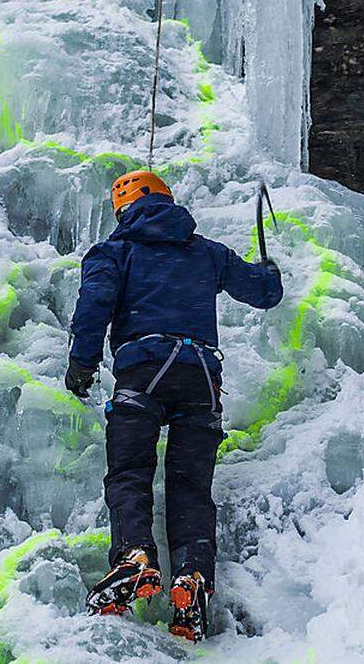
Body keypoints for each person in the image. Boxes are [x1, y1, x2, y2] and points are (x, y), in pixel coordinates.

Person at [65, 170, 283, 642]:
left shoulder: (114, 251)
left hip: (144, 369)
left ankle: (135, 557)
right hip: (201, 377)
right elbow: (265, 294)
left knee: (129, 472)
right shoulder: (205, 250)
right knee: (189, 487)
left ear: (122, 209)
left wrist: (82, 365)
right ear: (168, 200)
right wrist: (269, 271)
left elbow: (94, 304)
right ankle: (193, 579)